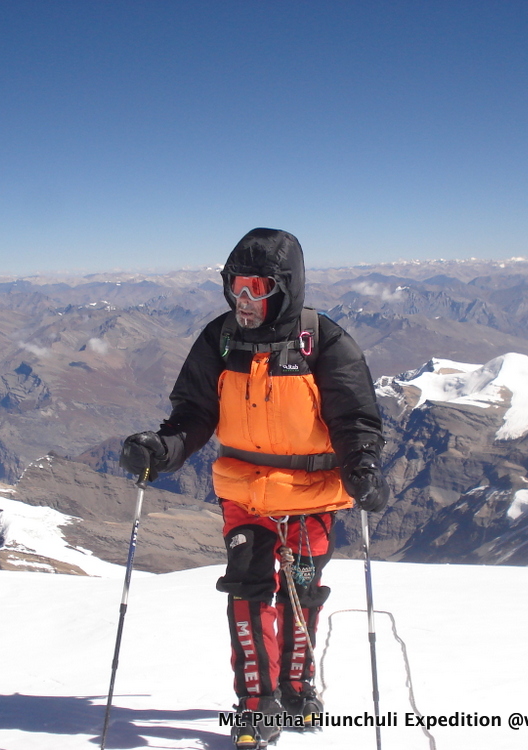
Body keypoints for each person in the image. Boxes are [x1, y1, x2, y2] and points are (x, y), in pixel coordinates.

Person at [120, 228, 389, 748]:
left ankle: (296, 689)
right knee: (247, 592)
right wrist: (163, 450)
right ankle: (254, 703)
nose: (243, 301)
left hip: (311, 496)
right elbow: (194, 414)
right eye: (236, 287)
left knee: (302, 595)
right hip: (244, 494)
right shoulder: (220, 339)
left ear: (284, 288)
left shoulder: (323, 341)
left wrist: (363, 468)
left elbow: (355, 419)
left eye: (256, 289)